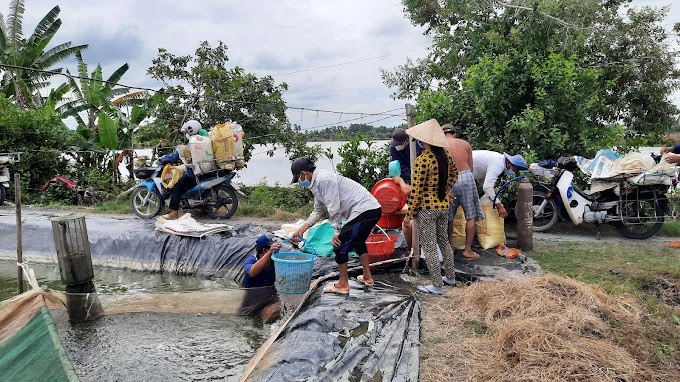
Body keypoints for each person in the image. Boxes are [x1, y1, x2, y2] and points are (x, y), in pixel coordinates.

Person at [289, 157, 382, 294]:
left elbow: (334, 207)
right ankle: (367, 277)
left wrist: (337, 232)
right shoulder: (316, 184)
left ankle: (343, 284)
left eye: (298, 177)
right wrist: (301, 230)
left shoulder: (323, 179)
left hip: (366, 210)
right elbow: (318, 211)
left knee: (339, 245)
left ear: (303, 173)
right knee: (358, 242)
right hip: (368, 209)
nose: (300, 181)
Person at [405, 119, 458, 295]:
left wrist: (409, 215)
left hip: (427, 211)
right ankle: (450, 277)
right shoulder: (446, 156)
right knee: (444, 242)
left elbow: (417, 191)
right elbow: (454, 175)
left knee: (429, 247)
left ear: (426, 141)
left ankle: (436, 285)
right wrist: (446, 190)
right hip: (443, 207)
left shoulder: (423, 160)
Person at [442, 124, 485, 260]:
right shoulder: (465, 144)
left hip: (449, 179)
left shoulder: (439, 146)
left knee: (449, 217)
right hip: (466, 176)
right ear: (454, 133)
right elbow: (470, 167)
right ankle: (467, 250)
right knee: (470, 216)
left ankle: (450, 247)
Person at [158, 120, 207, 220]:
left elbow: (176, 155)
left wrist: (163, 159)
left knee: (177, 187)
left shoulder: (192, 143)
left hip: (193, 173)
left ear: (190, 131)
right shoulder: (204, 140)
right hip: (202, 170)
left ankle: (173, 212)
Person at [236, 234, 282, 323]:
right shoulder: (251, 260)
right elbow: (252, 272)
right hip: (251, 301)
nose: (277, 252)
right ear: (265, 250)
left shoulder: (276, 261)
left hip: (269, 298)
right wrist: (270, 253)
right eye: (275, 249)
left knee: (274, 313)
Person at [471, 150, 528, 218]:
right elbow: (487, 187)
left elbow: (481, 179)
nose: (514, 172)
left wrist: (492, 194)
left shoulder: (498, 159)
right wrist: (499, 206)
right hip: (461, 172)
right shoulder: (498, 164)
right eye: (515, 170)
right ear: (509, 163)